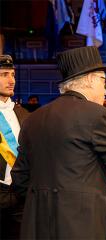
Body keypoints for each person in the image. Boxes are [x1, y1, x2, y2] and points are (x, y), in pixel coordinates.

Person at [10, 46, 106, 239]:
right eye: (104, 81)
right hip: (80, 225)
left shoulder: (32, 119)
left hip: (36, 223)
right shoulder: (97, 115)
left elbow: (19, 179)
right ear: (90, 79)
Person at [0, 55, 30, 239]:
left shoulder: (23, 113)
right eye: (4, 74)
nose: (11, 80)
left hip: (20, 193)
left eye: (13, 74)